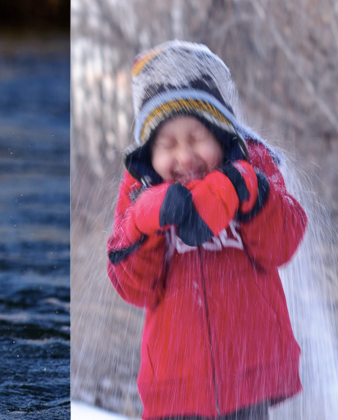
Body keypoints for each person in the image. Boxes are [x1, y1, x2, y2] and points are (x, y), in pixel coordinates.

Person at [106, 40, 307, 420]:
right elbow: (132, 285)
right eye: (167, 144)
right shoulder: (140, 192)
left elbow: (284, 242)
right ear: (150, 154)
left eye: (197, 138)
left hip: (247, 378)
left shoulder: (253, 169)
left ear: (221, 134)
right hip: (175, 388)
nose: (185, 157)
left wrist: (244, 189)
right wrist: (145, 220)